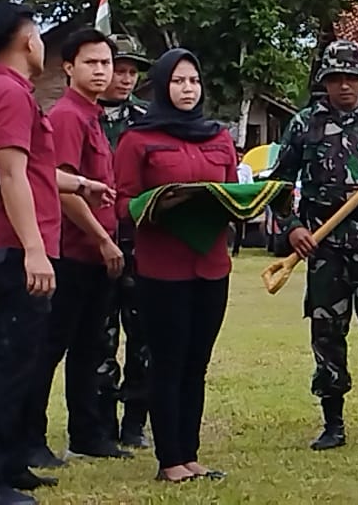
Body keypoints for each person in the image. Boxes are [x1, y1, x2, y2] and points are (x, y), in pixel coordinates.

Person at [0, 2, 116, 505]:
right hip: (13, 247)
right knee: (9, 361)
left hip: (17, 244)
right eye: (39, 35)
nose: (42, 44)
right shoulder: (7, 92)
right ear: (26, 42)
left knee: (23, 360)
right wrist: (34, 250)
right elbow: (10, 174)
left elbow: (36, 167)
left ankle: (8, 463)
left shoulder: (12, 93)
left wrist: (81, 182)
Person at [267, 40, 358, 452]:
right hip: (323, 245)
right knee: (327, 332)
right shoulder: (304, 124)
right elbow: (277, 184)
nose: (344, 85)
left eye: (352, 78)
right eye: (336, 78)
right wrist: (292, 226)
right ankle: (333, 423)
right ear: (324, 82)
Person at [114, 49, 236, 484]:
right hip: (162, 269)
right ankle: (170, 461)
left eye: (194, 81)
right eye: (179, 81)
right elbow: (122, 204)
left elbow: (234, 194)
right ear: (163, 85)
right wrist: (161, 202)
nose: (188, 89)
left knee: (196, 364)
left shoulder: (219, 137)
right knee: (167, 362)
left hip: (212, 265)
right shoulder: (137, 139)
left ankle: (191, 455)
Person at [22, 29, 132, 469]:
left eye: (106, 63)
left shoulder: (94, 116)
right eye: (92, 63)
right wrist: (103, 239)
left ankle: (87, 433)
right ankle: (30, 437)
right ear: (68, 67)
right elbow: (63, 189)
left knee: (89, 349)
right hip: (71, 253)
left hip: (94, 257)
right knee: (51, 348)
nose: (102, 71)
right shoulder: (68, 116)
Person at [96, 33, 154, 450]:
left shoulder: (148, 121)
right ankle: (98, 421)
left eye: (133, 72)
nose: (126, 78)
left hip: (141, 243)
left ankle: (135, 421)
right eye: (120, 69)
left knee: (144, 336)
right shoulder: (81, 116)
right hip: (92, 241)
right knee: (99, 338)